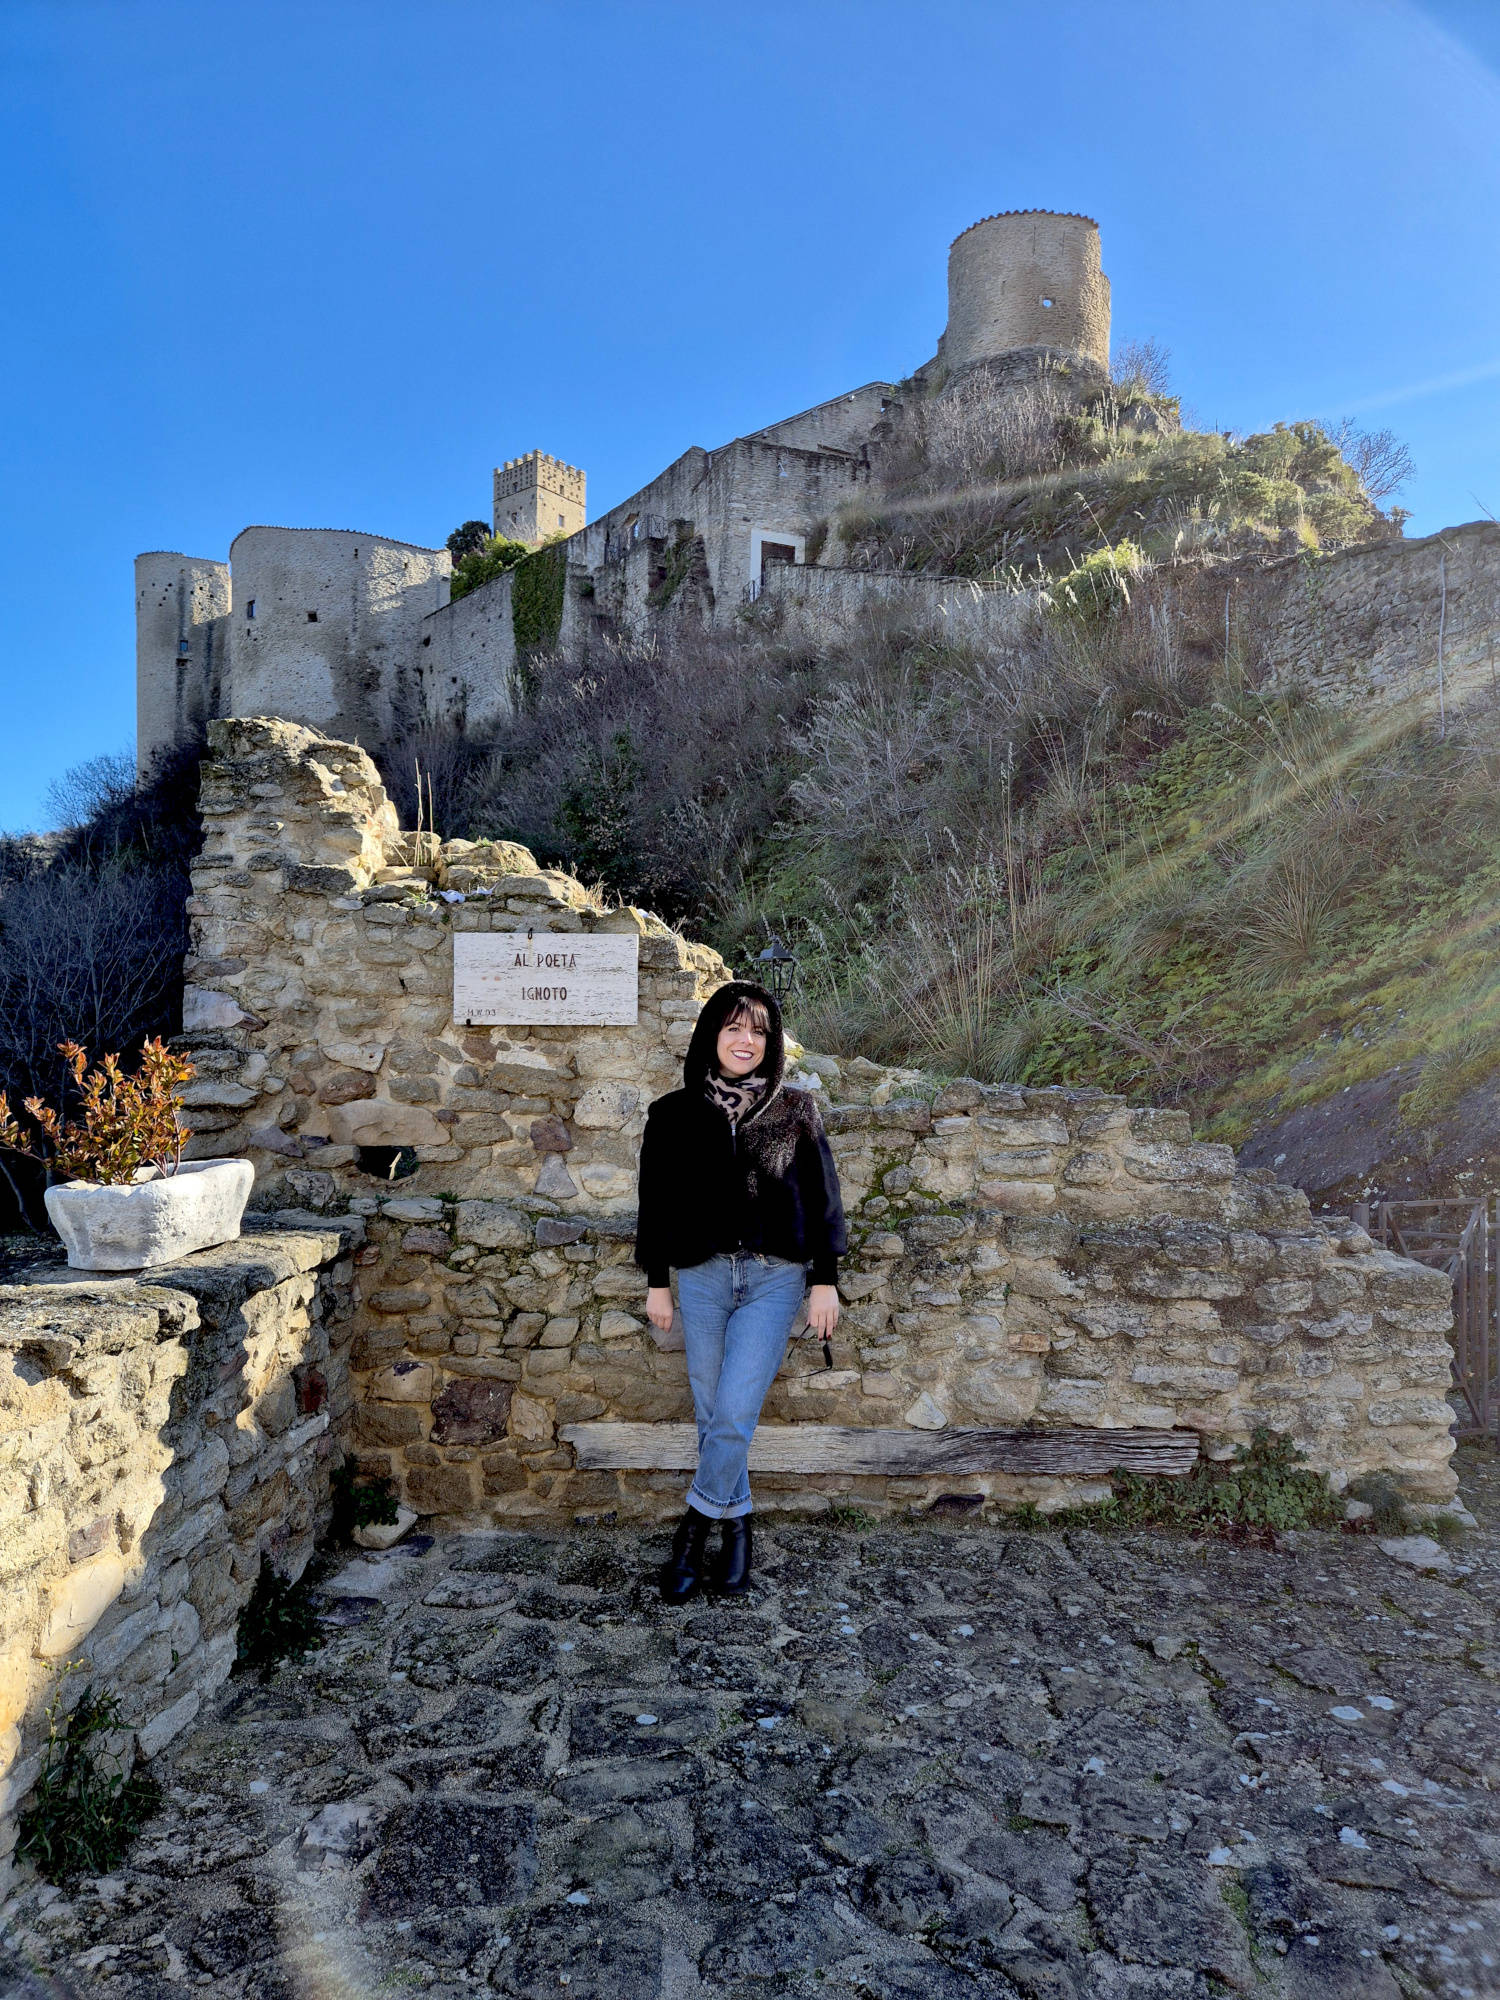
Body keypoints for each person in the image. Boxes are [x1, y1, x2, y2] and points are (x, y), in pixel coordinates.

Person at [635, 979, 846, 1601]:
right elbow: (655, 1204)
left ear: (771, 1040)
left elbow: (824, 1198)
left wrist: (825, 1280)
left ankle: (693, 1528)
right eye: (733, 1027)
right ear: (711, 1036)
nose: (745, 1040)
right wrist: (657, 1283)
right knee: (710, 1413)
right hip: (700, 1277)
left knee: (732, 1412)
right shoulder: (671, 1114)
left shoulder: (797, 1110)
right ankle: (739, 1524)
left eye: (757, 1030)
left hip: (774, 1279)